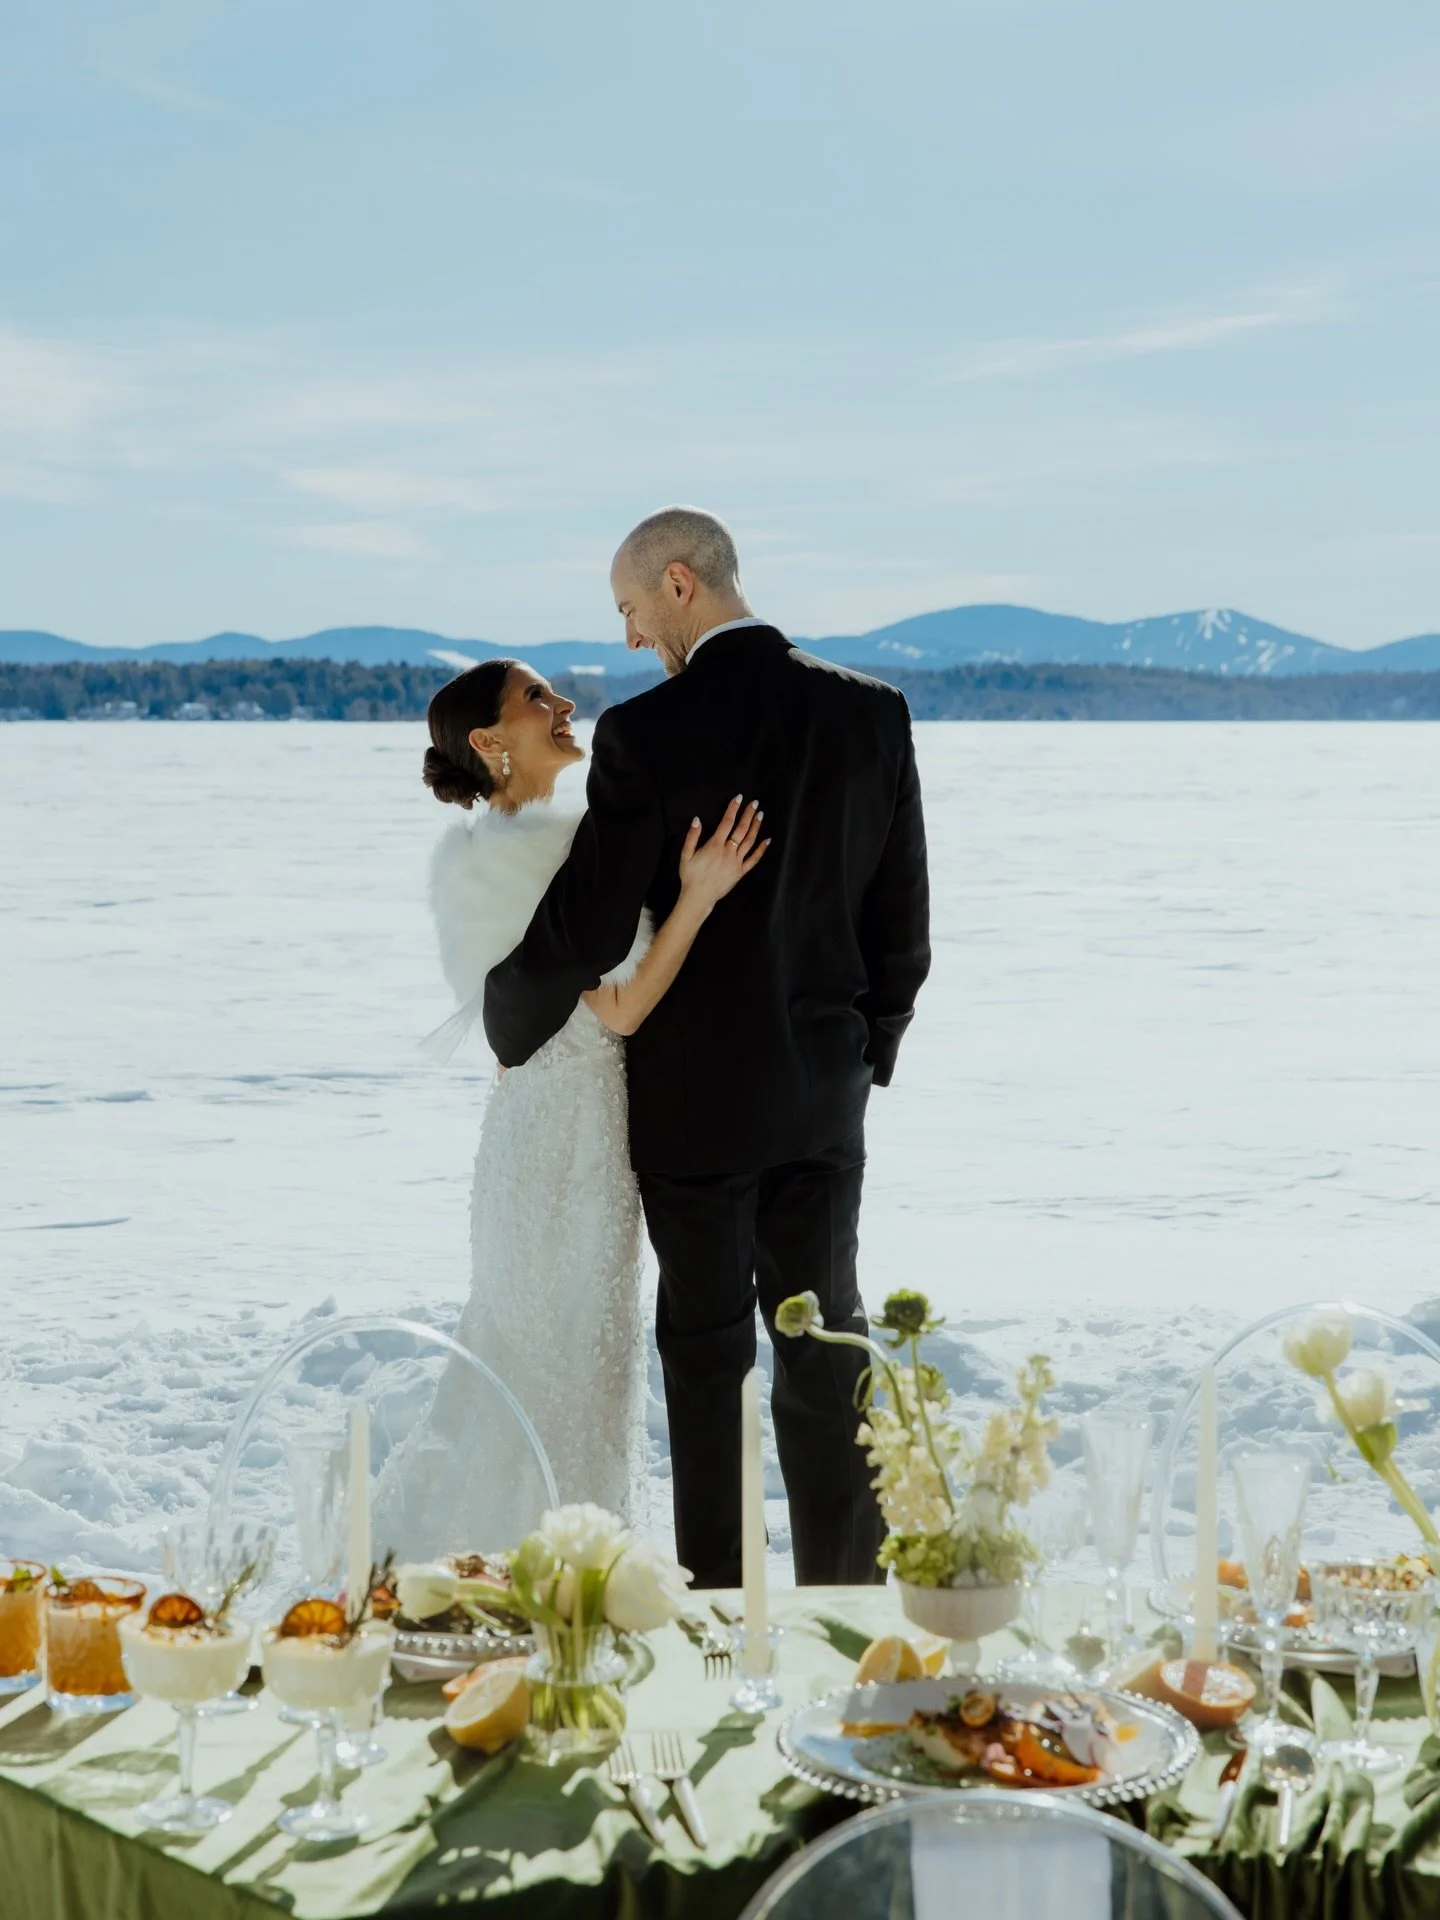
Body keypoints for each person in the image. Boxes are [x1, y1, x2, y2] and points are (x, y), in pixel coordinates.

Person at [484, 507, 931, 1587]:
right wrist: (863, 1055)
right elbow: (901, 926)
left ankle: (723, 1614)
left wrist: (509, 1006)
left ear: (679, 584)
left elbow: (592, 926)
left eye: (632, 609)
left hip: (691, 1111)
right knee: (826, 1356)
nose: (632, 638)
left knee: (706, 1359)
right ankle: (842, 1612)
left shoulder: (652, 736)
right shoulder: (871, 714)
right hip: (824, 1102)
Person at [398, 657, 767, 1541]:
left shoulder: (481, 861)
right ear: (491, 743)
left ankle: (537, 1559)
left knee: (542, 1359)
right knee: (568, 1369)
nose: (563, 705)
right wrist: (699, 897)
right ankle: (559, 1568)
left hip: (535, 1140)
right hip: (569, 1153)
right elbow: (625, 1006)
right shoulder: (550, 860)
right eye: (536, 698)